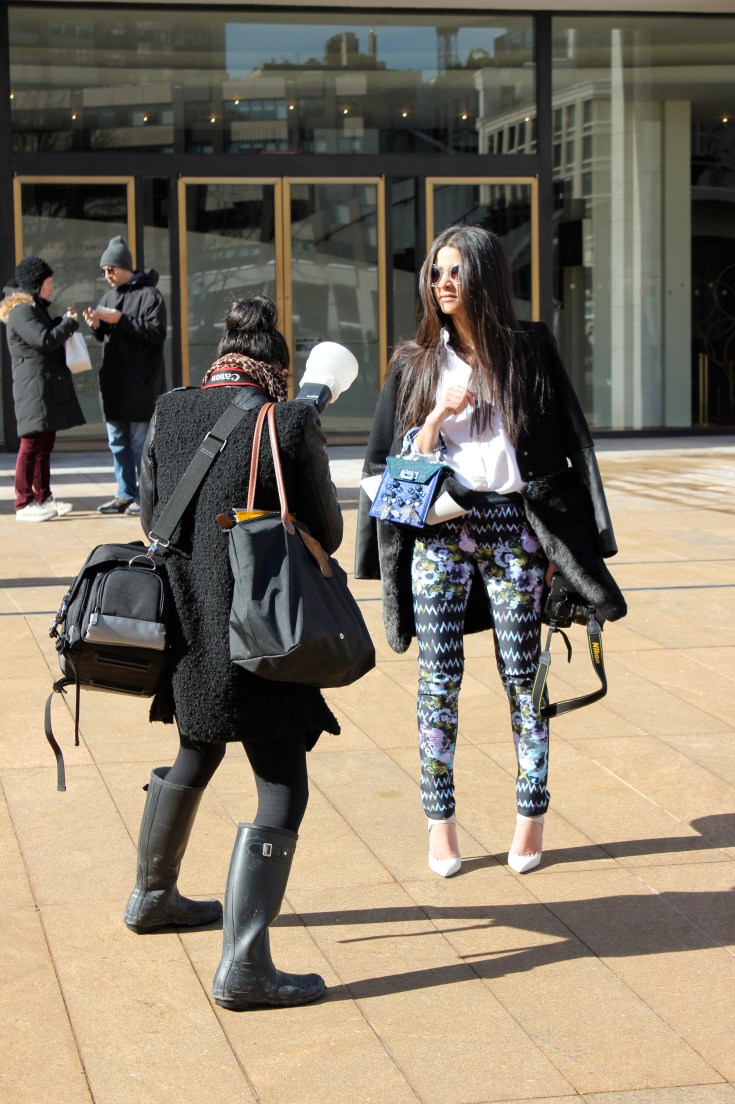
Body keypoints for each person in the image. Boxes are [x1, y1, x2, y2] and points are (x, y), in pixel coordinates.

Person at [356, 224, 622, 878]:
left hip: (515, 531)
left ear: (483, 276)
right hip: (441, 532)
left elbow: (573, 441)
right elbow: (387, 465)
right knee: (437, 679)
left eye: (455, 271)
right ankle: (438, 821)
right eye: (435, 273)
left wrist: (582, 546)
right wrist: (436, 417)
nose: (443, 283)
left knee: (521, 676)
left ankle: (530, 812)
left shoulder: (528, 347)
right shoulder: (416, 359)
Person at [127, 293, 343, 1012]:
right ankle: (245, 966)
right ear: (276, 371)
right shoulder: (285, 418)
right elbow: (329, 531)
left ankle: (152, 897)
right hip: (259, 633)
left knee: (197, 749)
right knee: (282, 787)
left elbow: (151, 506)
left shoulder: (169, 408)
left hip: (187, 628)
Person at [83, 235, 166, 516]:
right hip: (114, 385)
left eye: (111, 269)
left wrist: (121, 320)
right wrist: (96, 325)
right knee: (117, 442)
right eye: (104, 271)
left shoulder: (151, 295)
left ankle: (144, 498)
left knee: (141, 445)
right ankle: (124, 493)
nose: (107, 275)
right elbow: (107, 337)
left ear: (125, 267)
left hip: (140, 383)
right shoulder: (109, 296)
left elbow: (156, 334)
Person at [0, 256, 84, 522]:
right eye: (48, 283)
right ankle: (24, 502)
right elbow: (44, 340)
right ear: (35, 285)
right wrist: (68, 324)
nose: (52, 287)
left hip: (43, 386)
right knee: (32, 443)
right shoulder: (21, 310)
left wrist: (60, 320)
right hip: (32, 387)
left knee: (44, 443)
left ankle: (43, 497)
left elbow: (46, 334)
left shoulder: (34, 308)